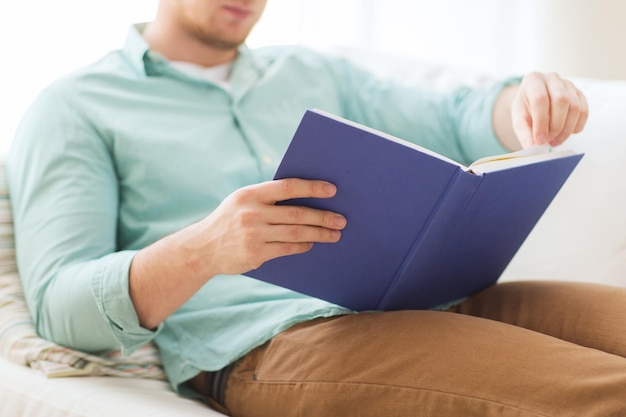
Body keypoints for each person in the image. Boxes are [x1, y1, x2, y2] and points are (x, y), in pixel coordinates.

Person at [6, 0, 626, 415]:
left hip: (436, 296)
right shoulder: (75, 106)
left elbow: (457, 115)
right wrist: (204, 248)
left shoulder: (315, 72)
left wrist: (525, 102)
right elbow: (63, 307)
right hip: (273, 342)